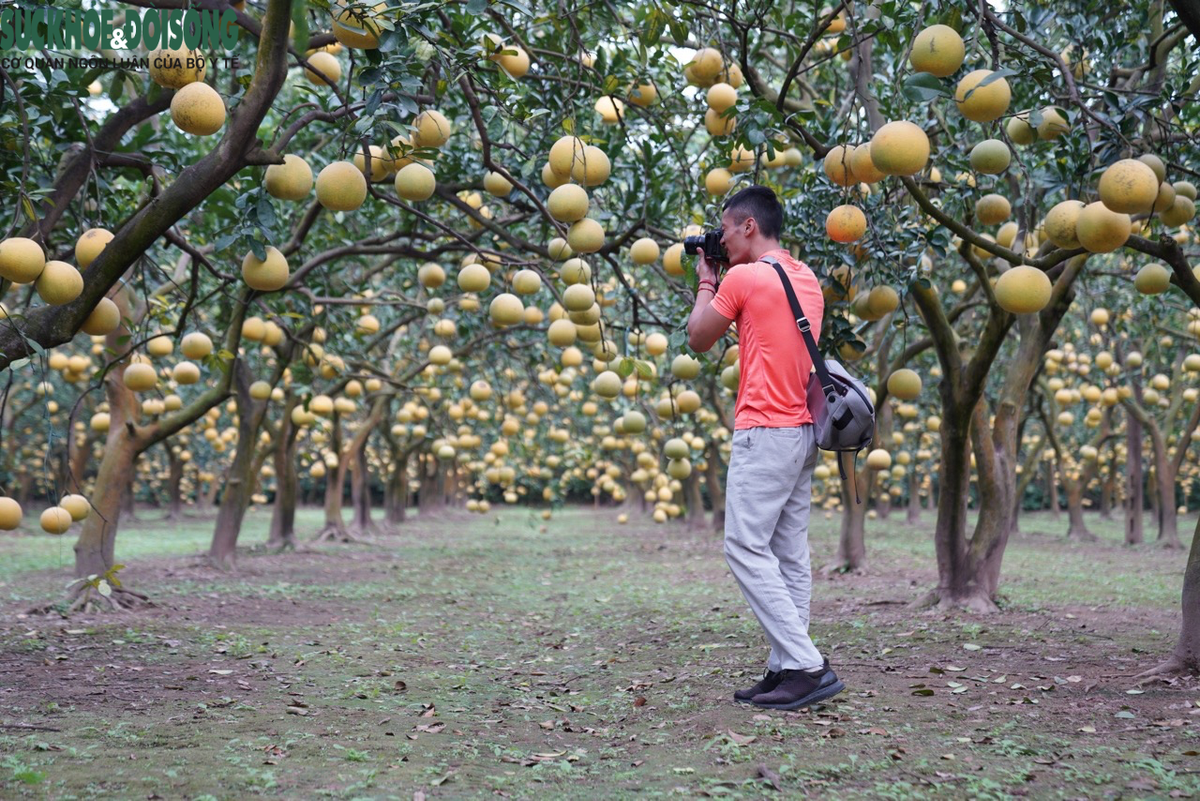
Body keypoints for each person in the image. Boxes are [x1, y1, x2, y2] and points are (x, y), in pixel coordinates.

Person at [686, 184, 844, 710]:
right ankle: (784, 668)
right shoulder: (805, 278)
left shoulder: (743, 276)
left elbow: (698, 338)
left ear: (748, 226)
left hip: (765, 429)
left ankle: (806, 664)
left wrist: (706, 282)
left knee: (744, 548)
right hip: (801, 431)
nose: (722, 238)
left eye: (726, 229)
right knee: (788, 553)